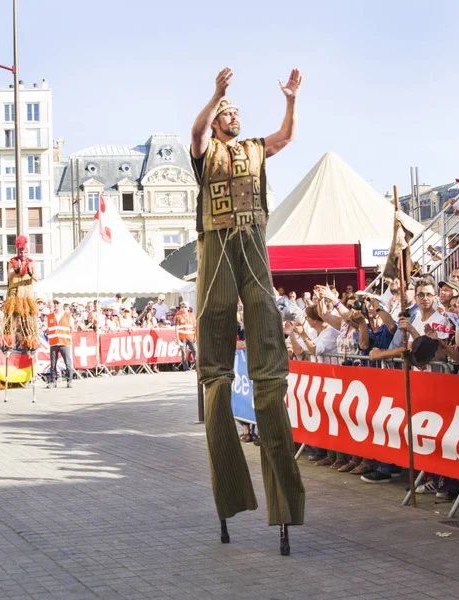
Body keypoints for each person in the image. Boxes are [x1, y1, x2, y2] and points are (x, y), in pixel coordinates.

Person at [191, 67, 305, 554]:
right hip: (216, 247)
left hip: (254, 248)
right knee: (214, 371)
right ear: (218, 121)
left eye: (236, 111)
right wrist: (215, 94)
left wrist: (292, 100)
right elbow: (194, 135)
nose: (232, 116)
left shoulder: (257, 147)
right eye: (226, 113)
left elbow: (285, 137)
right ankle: (229, 494)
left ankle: (284, 504)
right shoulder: (206, 149)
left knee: (268, 370)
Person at [2, 235, 40, 349]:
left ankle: (30, 346)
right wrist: (16, 271)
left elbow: (37, 278)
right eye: (21, 252)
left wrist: (30, 273)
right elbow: (9, 275)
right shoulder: (12, 262)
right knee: (10, 320)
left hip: (27, 297)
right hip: (13, 296)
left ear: (27, 253)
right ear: (18, 252)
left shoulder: (32, 264)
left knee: (28, 322)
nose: (22, 254)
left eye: (24, 252)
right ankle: (7, 345)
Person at [46, 298, 73, 388]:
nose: (56, 305)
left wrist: (69, 338)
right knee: (53, 364)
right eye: (55, 303)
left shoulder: (68, 316)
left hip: (64, 342)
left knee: (67, 362)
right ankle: (53, 381)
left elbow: (71, 328)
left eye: (58, 303)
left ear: (62, 305)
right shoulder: (49, 316)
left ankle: (69, 380)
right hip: (54, 343)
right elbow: (46, 328)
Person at [174, 301, 197, 371]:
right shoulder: (178, 316)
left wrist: (196, 336)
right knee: (183, 352)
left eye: (185, 307)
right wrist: (177, 338)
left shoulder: (192, 315)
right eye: (182, 307)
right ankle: (186, 368)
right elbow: (176, 328)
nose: (183, 308)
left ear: (188, 308)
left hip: (191, 336)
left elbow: (195, 326)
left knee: (195, 352)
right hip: (182, 337)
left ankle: (197, 367)